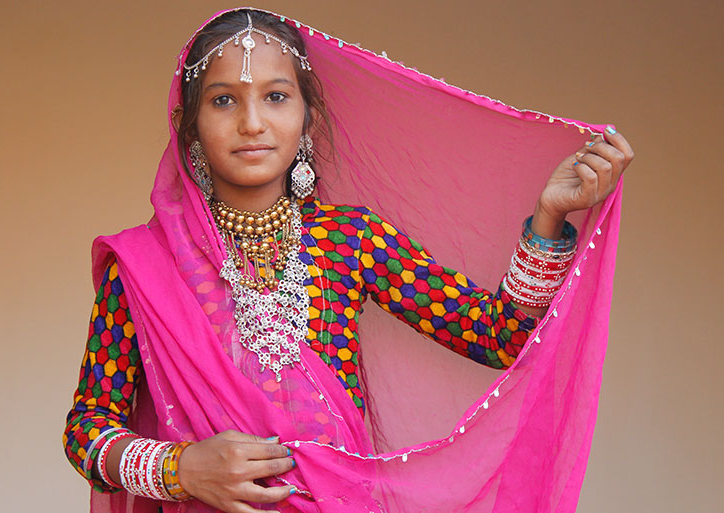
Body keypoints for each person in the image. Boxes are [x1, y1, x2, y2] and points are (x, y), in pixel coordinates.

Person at [63, 8, 633, 513]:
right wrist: (179, 468)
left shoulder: (350, 241)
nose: (253, 122)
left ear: (308, 117)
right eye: (223, 100)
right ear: (189, 125)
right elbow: (86, 429)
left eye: (276, 96)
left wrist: (549, 219)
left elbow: (500, 334)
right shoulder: (144, 265)